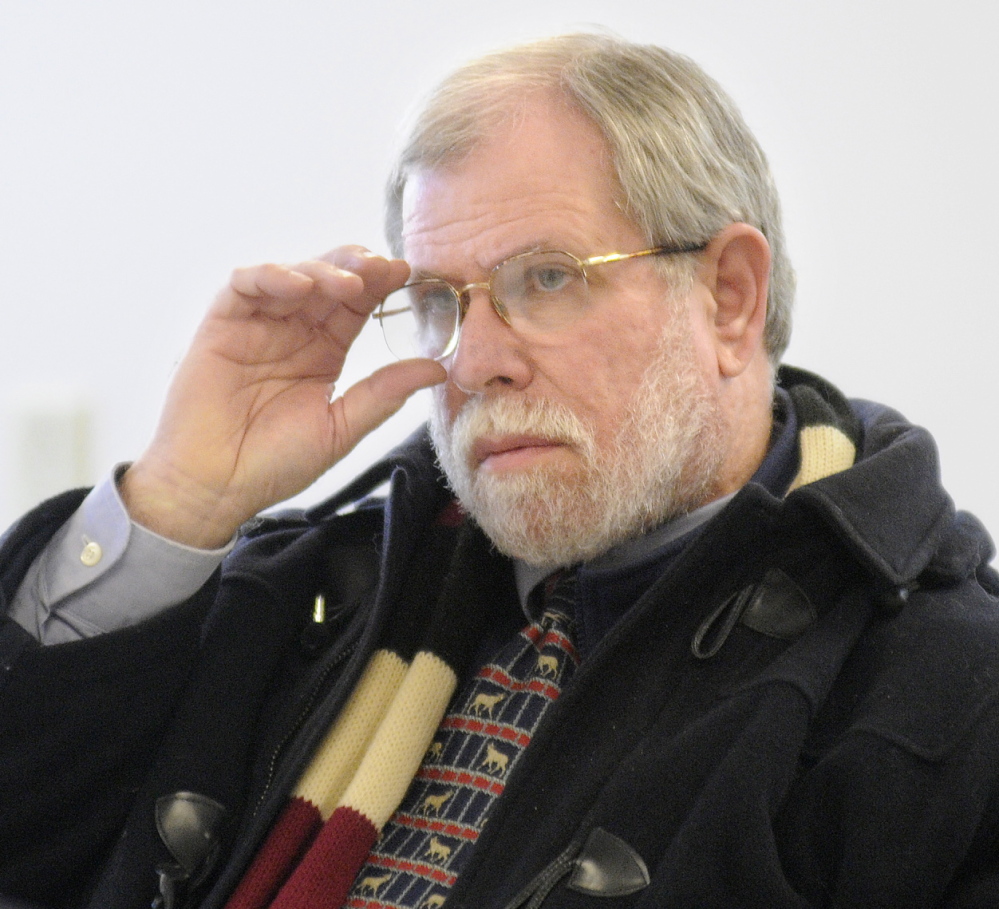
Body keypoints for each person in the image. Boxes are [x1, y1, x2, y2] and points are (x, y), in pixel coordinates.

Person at [1, 32, 998, 909]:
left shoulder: (948, 696)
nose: (474, 362)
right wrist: (181, 500)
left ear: (729, 296)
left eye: (548, 279)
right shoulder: (308, 593)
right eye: (442, 300)